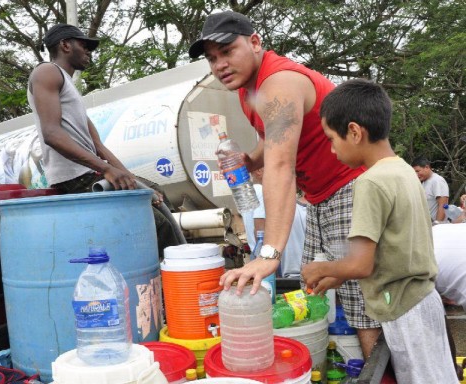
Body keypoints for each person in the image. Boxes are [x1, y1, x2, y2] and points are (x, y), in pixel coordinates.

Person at [189, 11, 380, 357]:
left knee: (362, 302)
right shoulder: (249, 91)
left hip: (352, 187)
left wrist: (268, 253)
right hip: (320, 197)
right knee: (314, 288)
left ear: (255, 42)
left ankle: (381, 375)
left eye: (228, 51)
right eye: (212, 58)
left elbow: (280, 165)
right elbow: (273, 145)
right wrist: (249, 161)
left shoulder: (279, 83)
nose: (220, 65)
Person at [301, 78, 458, 384]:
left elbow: (362, 263)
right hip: (423, 300)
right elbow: (390, 250)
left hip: (403, 308)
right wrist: (337, 275)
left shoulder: (369, 182)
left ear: (355, 132)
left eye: (332, 139)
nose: (332, 150)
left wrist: (320, 267)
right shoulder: (402, 170)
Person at [27, 23, 180, 258]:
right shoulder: (47, 72)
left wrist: (128, 177)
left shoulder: (70, 89)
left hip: (90, 172)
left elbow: (98, 146)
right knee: (157, 224)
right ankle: (170, 280)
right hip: (75, 178)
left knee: (157, 192)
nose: (89, 51)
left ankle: (174, 270)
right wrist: (106, 170)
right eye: (84, 45)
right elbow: (51, 134)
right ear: (65, 45)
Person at [411, 157, 450, 224]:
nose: (416, 174)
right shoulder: (424, 182)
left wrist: (437, 225)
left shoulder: (437, 181)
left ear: (427, 167)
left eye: (418, 171)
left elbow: (443, 205)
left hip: (436, 228)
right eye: (414, 172)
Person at [242, 168, 265, 251]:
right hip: (264, 254)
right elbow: (260, 230)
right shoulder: (261, 191)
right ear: (259, 170)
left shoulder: (250, 191)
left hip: (255, 251)